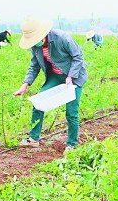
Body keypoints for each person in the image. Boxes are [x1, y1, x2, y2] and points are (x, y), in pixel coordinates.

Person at [13, 19, 87, 155]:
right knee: (38, 103)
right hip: (55, 76)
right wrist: (25, 85)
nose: (35, 43)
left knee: (71, 112)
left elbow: (78, 56)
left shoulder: (61, 38)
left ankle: (72, 145)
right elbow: (34, 65)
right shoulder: (36, 46)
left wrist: (70, 76)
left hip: (74, 77)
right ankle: (33, 139)